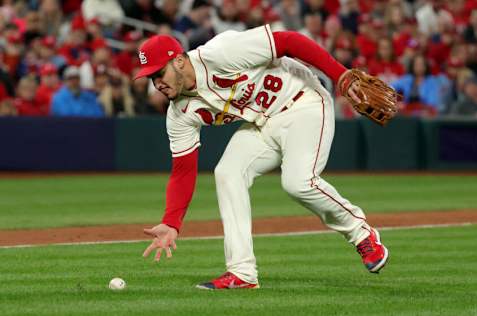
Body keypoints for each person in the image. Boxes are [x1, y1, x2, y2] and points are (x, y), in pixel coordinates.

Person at [137, 25, 389, 290]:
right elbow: (183, 171)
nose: (157, 84)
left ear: (178, 60)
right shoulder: (179, 114)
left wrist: (340, 75)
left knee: (298, 183)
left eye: (159, 73)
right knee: (228, 173)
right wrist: (171, 222)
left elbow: (289, 40)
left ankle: (362, 234)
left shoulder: (221, 53)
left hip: (303, 102)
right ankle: (242, 272)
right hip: (262, 123)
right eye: (151, 78)